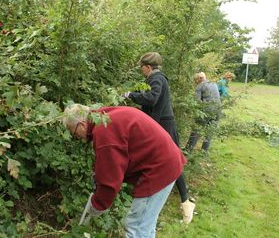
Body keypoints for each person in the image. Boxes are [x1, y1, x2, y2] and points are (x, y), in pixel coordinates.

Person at [63, 104, 189, 237]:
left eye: (74, 133)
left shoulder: (104, 130)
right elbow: (111, 160)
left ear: (81, 124)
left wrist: (97, 205)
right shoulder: (104, 117)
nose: (77, 137)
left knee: (136, 226)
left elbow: (110, 180)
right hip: (166, 162)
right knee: (145, 225)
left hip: (159, 169)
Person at [122, 52, 195, 223]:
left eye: (142, 68)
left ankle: (186, 202)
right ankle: (181, 200)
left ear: (148, 67)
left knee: (172, 161)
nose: (141, 71)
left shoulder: (156, 79)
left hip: (164, 125)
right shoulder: (155, 78)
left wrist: (130, 95)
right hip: (162, 123)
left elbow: (152, 98)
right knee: (168, 161)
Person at [185, 72, 221, 153]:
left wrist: (192, 113)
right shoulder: (214, 83)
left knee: (196, 129)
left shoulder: (199, 86)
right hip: (218, 110)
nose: (195, 82)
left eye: (195, 80)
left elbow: (197, 103)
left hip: (206, 110)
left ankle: (188, 149)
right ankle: (204, 151)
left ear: (199, 79)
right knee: (210, 131)